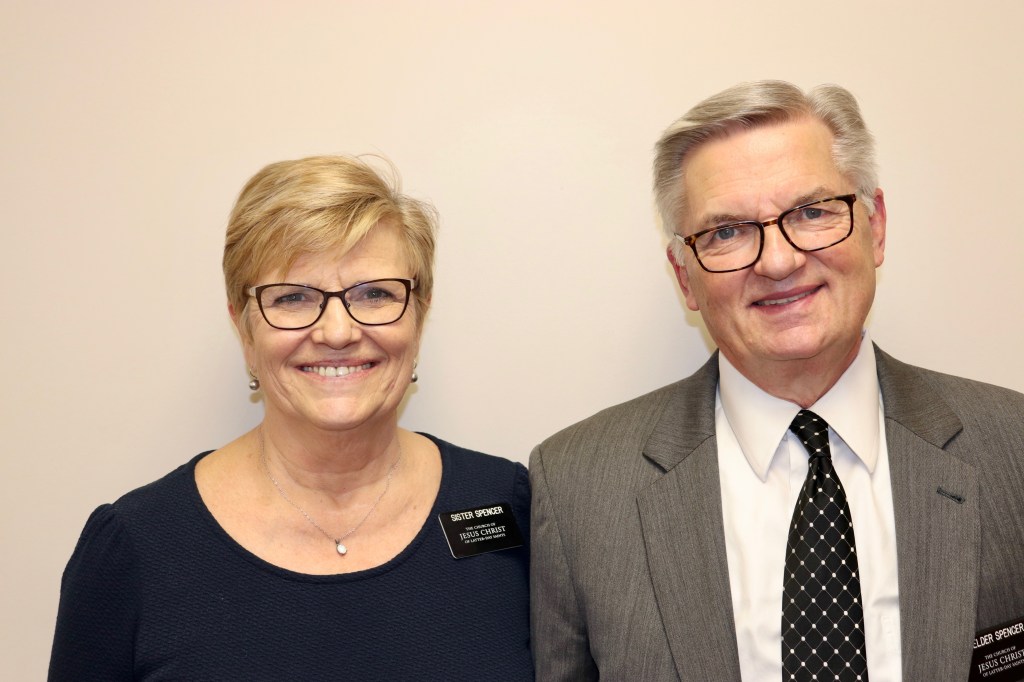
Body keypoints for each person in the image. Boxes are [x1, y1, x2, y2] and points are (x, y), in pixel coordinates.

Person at [530, 81, 1024, 681]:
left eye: (812, 212)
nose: (779, 261)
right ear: (685, 278)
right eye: (727, 232)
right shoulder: (577, 489)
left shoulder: (1012, 446)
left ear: (876, 227)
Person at [49, 155, 533, 680]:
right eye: (293, 298)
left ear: (420, 314)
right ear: (244, 328)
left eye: (375, 294)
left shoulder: (510, 504)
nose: (337, 332)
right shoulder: (135, 547)